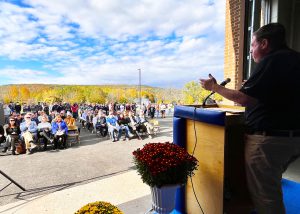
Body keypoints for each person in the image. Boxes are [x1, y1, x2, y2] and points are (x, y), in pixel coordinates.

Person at [200, 23, 300, 214]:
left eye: (252, 45)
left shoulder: (271, 61)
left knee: (266, 197)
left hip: (270, 141)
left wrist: (215, 87)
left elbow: (244, 99)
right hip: (293, 138)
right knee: (271, 183)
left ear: (264, 43)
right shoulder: (295, 59)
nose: (251, 51)